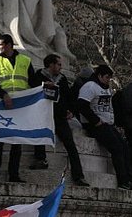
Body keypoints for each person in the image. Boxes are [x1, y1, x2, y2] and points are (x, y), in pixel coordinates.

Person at [0, 34, 41, 183]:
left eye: (0, 44)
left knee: (17, 142)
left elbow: (33, 82)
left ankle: (14, 175)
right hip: (2, 105)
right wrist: (3, 95)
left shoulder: (25, 60)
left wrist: (44, 86)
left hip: (20, 107)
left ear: (9, 45)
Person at [29, 54, 88, 186]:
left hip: (60, 116)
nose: (61, 67)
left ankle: (78, 175)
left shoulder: (62, 79)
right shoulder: (38, 76)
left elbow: (69, 96)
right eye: (58, 64)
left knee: (70, 144)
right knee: (40, 136)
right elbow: (32, 89)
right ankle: (40, 159)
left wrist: (71, 110)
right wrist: (43, 86)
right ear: (51, 64)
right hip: (43, 114)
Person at [78, 64, 132, 190]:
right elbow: (82, 105)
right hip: (96, 125)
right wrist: (95, 120)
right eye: (106, 77)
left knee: (125, 148)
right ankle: (123, 180)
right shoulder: (90, 86)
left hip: (107, 124)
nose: (108, 80)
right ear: (99, 76)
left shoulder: (107, 89)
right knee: (117, 147)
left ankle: (130, 179)